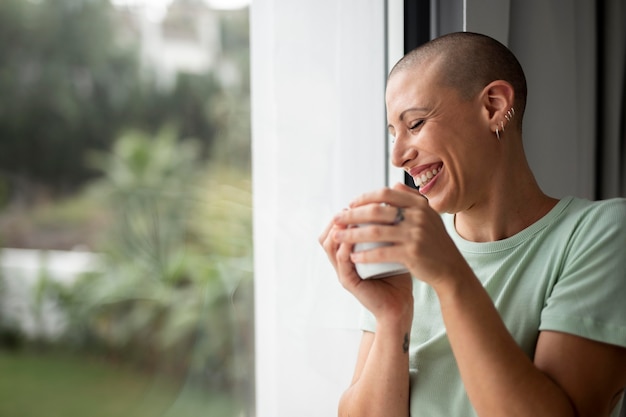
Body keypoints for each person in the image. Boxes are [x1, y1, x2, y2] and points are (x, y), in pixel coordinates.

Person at [319, 31, 626, 417]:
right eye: (392, 134)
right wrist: (392, 316)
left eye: (415, 124)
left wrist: (451, 276)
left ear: (495, 107)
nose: (398, 156)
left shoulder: (602, 233)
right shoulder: (412, 250)